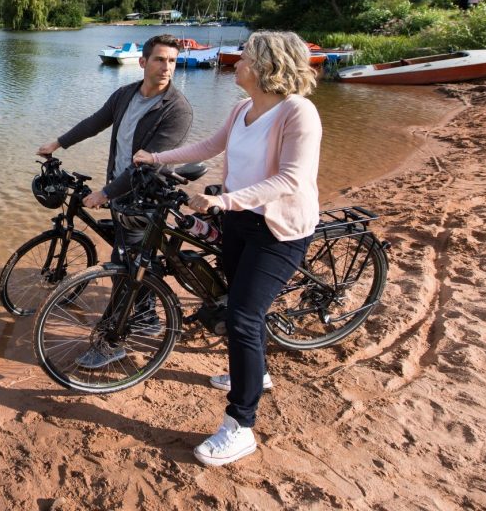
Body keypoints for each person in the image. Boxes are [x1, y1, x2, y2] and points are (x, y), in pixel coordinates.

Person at [134, 30, 322, 467]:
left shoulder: (299, 113)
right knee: (235, 304)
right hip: (239, 222)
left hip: (278, 229)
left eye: (244, 58)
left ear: (265, 65)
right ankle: (255, 373)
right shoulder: (242, 108)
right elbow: (210, 146)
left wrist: (223, 200)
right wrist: (156, 158)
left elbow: (292, 178)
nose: (236, 62)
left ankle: (241, 427)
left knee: (241, 315)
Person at [37, 33, 193, 365]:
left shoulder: (176, 110)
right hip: (120, 189)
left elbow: (152, 165)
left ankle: (111, 342)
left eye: (172, 61)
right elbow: (95, 122)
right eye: (160, 60)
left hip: (146, 198)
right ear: (143, 62)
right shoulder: (125, 94)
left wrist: (105, 193)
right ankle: (148, 317)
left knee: (126, 269)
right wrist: (58, 143)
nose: (167, 67)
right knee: (136, 259)